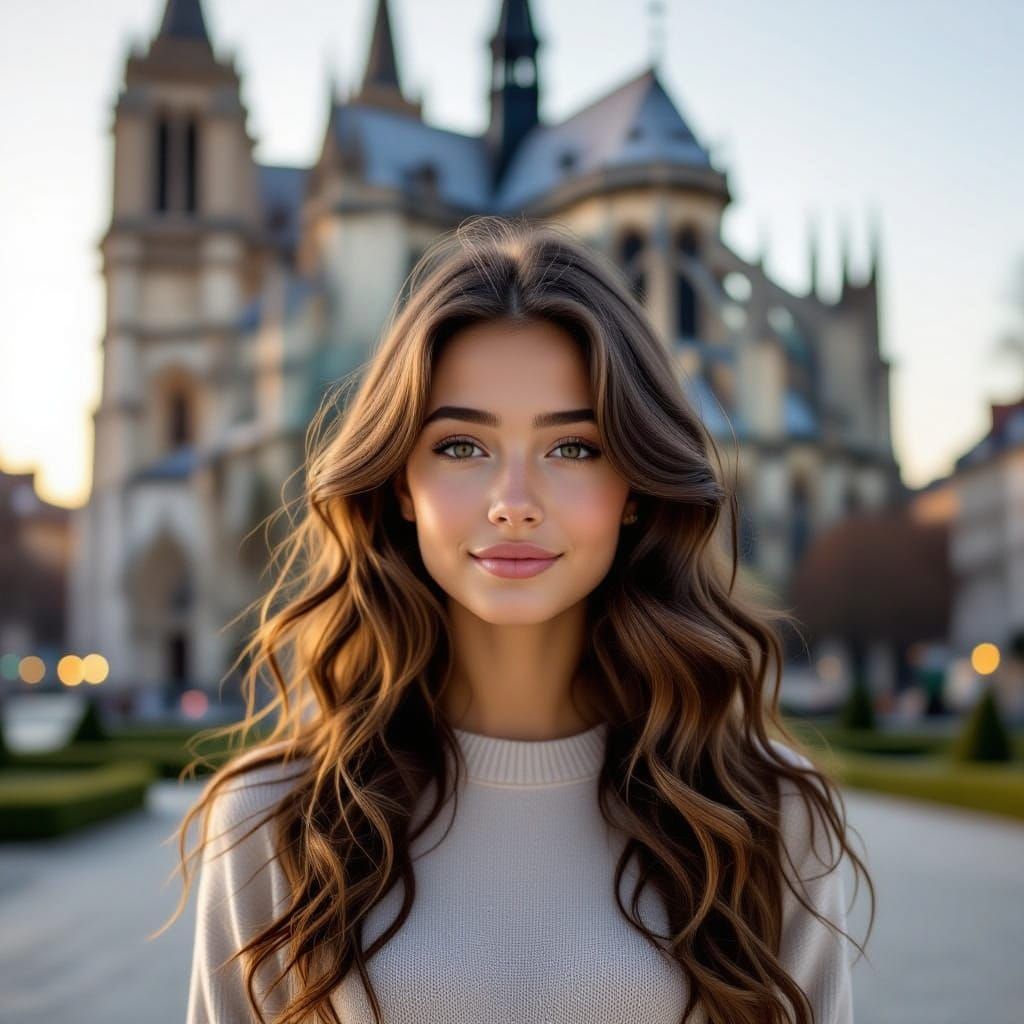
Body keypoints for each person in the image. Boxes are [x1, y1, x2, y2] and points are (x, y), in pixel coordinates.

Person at [160, 216, 874, 1023]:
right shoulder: (276, 817)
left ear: (635, 485)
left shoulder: (766, 814)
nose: (514, 505)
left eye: (574, 449)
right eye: (462, 446)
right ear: (400, 483)